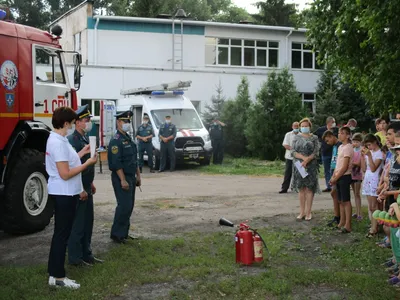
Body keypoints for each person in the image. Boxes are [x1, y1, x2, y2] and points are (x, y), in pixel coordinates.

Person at [46, 107, 97, 289]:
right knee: (62, 236)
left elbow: (69, 159)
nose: (70, 127)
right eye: (70, 123)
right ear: (66, 123)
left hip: (65, 192)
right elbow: (65, 173)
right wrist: (88, 163)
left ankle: (53, 274)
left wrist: (83, 153)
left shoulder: (58, 139)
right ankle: (59, 277)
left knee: (60, 234)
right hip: (64, 193)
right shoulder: (58, 142)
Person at [67, 105, 103, 267]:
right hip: (78, 188)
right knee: (78, 224)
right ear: (77, 123)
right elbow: (74, 168)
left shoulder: (85, 139)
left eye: (88, 120)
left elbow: (86, 165)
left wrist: (91, 182)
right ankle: (75, 257)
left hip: (87, 186)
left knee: (88, 222)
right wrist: (81, 188)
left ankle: (86, 254)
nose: (88, 122)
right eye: (85, 120)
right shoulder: (72, 140)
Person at [108, 111, 141, 244]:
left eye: (128, 121)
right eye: (124, 121)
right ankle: (117, 234)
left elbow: (135, 159)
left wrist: (138, 176)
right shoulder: (116, 141)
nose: (127, 124)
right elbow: (116, 163)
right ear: (118, 122)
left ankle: (124, 233)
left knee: (129, 206)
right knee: (124, 206)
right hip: (121, 177)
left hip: (131, 176)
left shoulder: (128, 139)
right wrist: (122, 180)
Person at [291, 118, 320, 221]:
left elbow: (316, 152)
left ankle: (308, 212)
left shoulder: (314, 138)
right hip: (299, 165)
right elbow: (293, 151)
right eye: (302, 126)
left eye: (306, 126)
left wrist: (307, 160)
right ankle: (302, 212)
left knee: (309, 188)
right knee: (301, 188)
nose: (304, 128)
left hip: (311, 166)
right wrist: (303, 159)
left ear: (310, 126)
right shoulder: (296, 137)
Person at [329, 127, 354, 233]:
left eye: (342, 133)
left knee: (346, 200)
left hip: (344, 176)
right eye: (339, 133)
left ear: (348, 135)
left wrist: (336, 177)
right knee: (340, 200)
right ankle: (342, 222)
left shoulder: (348, 147)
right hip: (338, 175)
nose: (340, 135)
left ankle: (348, 224)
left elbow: (344, 166)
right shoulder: (340, 147)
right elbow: (337, 164)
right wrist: (333, 176)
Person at [361, 133, 384, 238]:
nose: (369, 147)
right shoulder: (370, 152)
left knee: (374, 206)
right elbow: (365, 167)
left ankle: (375, 228)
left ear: (375, 142)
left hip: (375, 180)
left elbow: (374, 168)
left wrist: (369, 156)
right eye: (367, 145)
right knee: (370, 206)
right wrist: (363, 156)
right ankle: (374, 224)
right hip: (368, 178)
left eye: (370, 144)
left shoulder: (379, 154)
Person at [322, 130, 341, 227]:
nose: (327, 142)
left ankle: (339, 217)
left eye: (327, 140)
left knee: (336, 194)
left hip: (337, 173)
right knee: (334, 194)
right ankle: (337, 216)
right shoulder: (334, 146)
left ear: (331, 136)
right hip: (333, 171)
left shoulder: (339, 146)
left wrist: (335, 175)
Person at [314, 116, 338, 192]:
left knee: (335, 169)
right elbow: (313, 135)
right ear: (328, 123)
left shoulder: (336, 130)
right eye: (333, 122)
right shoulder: (321, 130)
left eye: (334, 122)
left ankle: (335, 184)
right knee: (327, 170)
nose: (334, 123)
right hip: (325, 153)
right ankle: (329, 186)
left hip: (335, 153)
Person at [279, 122, 299, 194]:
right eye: (295, 126)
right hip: (289, 157)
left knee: (301, 173)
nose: (296, 128)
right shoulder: (288, 134)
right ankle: (284, 188)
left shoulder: (301, 135)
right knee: (288, 173)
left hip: (299, 158)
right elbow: (285, 144)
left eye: (297, 126)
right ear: (292, 127)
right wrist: (292, 148)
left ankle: (299, 187)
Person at [351, 133, 363, 220]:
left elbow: (359, 163)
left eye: (357, 142)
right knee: (354, 194)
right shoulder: (351, 150)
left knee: (357, 193)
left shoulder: (361, 151)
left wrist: (351, 163)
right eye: (354, 141)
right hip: (352, 173)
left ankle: (360, 213)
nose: (355, 143)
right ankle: (356, 211)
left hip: (358, 174)